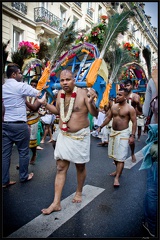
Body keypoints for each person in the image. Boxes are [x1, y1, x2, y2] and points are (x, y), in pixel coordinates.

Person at [37, 69, 99, 215]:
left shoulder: (84, 93)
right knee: (60, 168)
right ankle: (56, 202)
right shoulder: (59, 94)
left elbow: (94, 113)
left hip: (80, 136)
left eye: (68, 79)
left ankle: (79, 191)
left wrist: (91, 102)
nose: (65, 82)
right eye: (62, 80)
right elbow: (58, 111)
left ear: (74, 79)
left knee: (80, 167)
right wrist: (45, 104)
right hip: (64, 135)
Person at [2, 63, 40, 187]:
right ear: (13, 74)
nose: (21, 75)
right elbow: (37, 93)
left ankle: (4, 181)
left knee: (5, 154)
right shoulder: (20, 86)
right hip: (19, 125)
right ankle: (23, 176)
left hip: (5, 124)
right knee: (23, 152)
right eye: (19, 73)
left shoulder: (3, 87)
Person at [97, 88, 137, 187]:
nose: (117, 96)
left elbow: (134, 122)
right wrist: (100, 127)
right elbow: (109, 118)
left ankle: (117, 178)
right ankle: (118, 171)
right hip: (113, 133)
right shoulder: (114, 107)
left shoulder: (130, 109)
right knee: (114, 155)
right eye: (117, 94)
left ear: (126, 97)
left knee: (121, 157)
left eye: (120, 95)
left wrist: (132, 136)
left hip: (123, 134)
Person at [140, 64, 158, 237]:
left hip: (157, 139)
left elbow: (146, 110)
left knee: (153, 189)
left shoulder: (154, 80)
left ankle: (151, 226)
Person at [124, 79, 142, 162]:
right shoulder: (121, 95)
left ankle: (132, 153)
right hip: (123, 120)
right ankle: (119, 158)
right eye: (125, 85)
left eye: (128, 85)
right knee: (120, 139)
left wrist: (137, 104)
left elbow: (140, 111)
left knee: (131, 141)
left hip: (132, 121)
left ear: (131, 86)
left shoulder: (135, 96)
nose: (126, 87)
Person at [26, 79, 42, 164]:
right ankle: (24, 161)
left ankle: (34, 154)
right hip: (24, 120)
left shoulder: (39, 95)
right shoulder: (26, 94)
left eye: (34, 85)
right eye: (31, 85)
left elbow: (34, 108)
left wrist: (25, 102)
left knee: (32, 142)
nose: (32, 87)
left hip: (33, 120)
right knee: (23, 143)